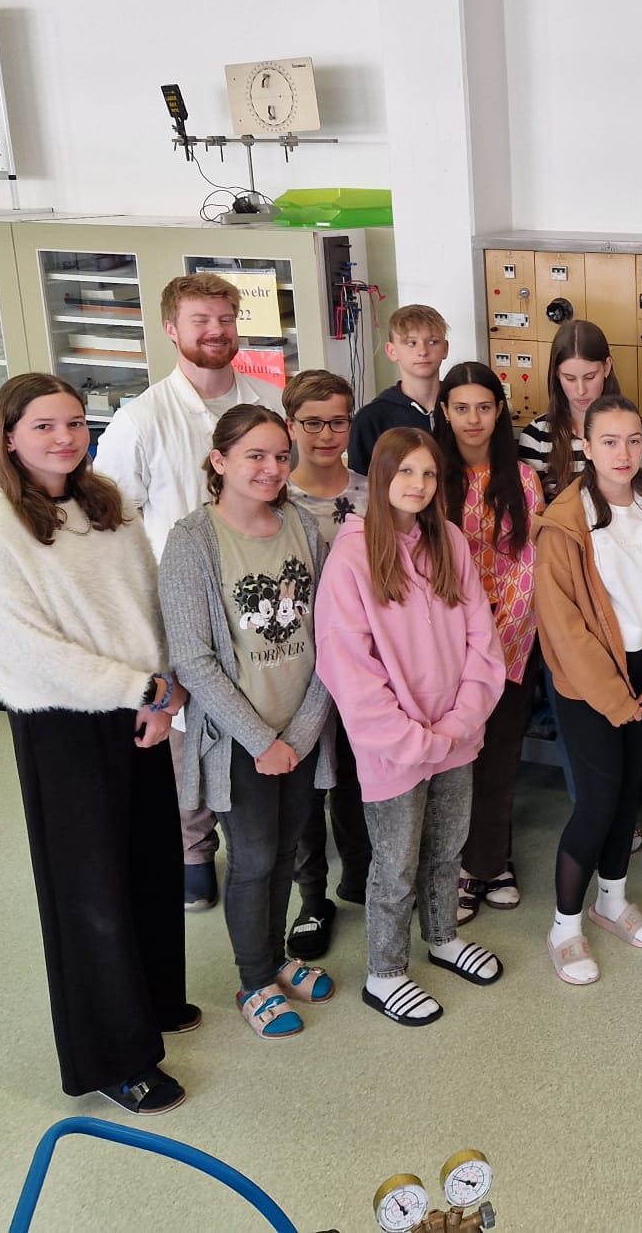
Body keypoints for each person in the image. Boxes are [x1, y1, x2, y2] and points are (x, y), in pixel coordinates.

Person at [0, 373, 196, 1114]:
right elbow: (18, 647)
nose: (65, 438)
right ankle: (116, 1058)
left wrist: (163, 688)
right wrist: (136, 688)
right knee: (89, 895)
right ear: (8, 438)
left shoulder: (105, 501)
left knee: (149, 865)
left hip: (139, 704)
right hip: (64, 719)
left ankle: (156, 999)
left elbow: (147, 598)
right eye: (43, 427)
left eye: (74, 423)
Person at [97, 272, 279, 911]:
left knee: (256, 713)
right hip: (180, 608)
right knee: (188, 732)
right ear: (172, 329)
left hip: (258, 595)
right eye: (201, 320)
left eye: (226, 319)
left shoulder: (267, 402)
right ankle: (193, 848)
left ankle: (260, 840)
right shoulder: (141, 419)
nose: (216, 331)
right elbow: (110, 524)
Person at [315, 428, 509, 1026]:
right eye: (405, 472)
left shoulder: (449, 540)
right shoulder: (352, 557)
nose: (418, 485)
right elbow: (347, 667)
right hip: (393, 749)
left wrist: (460, 722)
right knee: (396, 862)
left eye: (428, 474)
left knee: (447, 848)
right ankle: (385, 971)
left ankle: (443, 937)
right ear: (380, 477)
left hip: (456, 737)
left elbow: (482, 641)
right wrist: (414, 740)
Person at [159, 405, 337, 1039]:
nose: (271, 468)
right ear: (220, 461)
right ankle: (254, 979)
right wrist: (262, 740)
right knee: (255, 857)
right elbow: (193, 659)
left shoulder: (303, 526)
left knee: (288, 850)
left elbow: (332, 636)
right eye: (255, 456)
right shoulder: (193, 541)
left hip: (302, 730)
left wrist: (303, 731)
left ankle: (276, 957)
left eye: (281, 456)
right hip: (238, 739)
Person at [532, 395, 642, 985]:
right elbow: (563, 625)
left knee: (628, 797)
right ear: (586, 447)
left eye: (631, 441)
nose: (622, 453)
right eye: (608, 441)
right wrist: (616, 699)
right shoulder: (563, 521)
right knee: (598, 802)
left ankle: (612, 900)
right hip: (590, 680)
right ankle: (564, 927)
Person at [438, 362, 544, 924]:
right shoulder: (429, 475)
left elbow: (529, 566)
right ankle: (456, 867)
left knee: (500, 757)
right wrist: (460, 638)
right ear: (445, 412)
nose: (473, 419)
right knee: (454, 763)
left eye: (483, 407)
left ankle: (492, 862)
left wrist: (494, 641)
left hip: (508, 644)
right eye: (461, 408)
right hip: (444, 648)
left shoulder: (522, 479)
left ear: (499, 411)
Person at [280, 369, 373, 962]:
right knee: (307, 782)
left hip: (363, 661)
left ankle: (363, 874)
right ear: (290, 425)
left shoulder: (371, 492)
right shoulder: (275, 498)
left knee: (362, 773)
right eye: (312, 423)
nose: (326, 434)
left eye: (338, 421)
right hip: (297, 666)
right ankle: (312, 896)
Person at [519, 319, 642, 501]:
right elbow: (535, 510)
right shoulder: (536, 436)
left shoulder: (640, 431)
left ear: (607, 367)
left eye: (590, 377)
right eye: (570, 378)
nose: (581, 390)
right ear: (557, 374)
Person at [348, 304, 452, 473]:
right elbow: (361, 483)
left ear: (445, 349)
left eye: (433, 342)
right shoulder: (372, 419)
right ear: (391, 351)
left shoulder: (463, 407)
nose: (423, 351)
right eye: (411, 343)